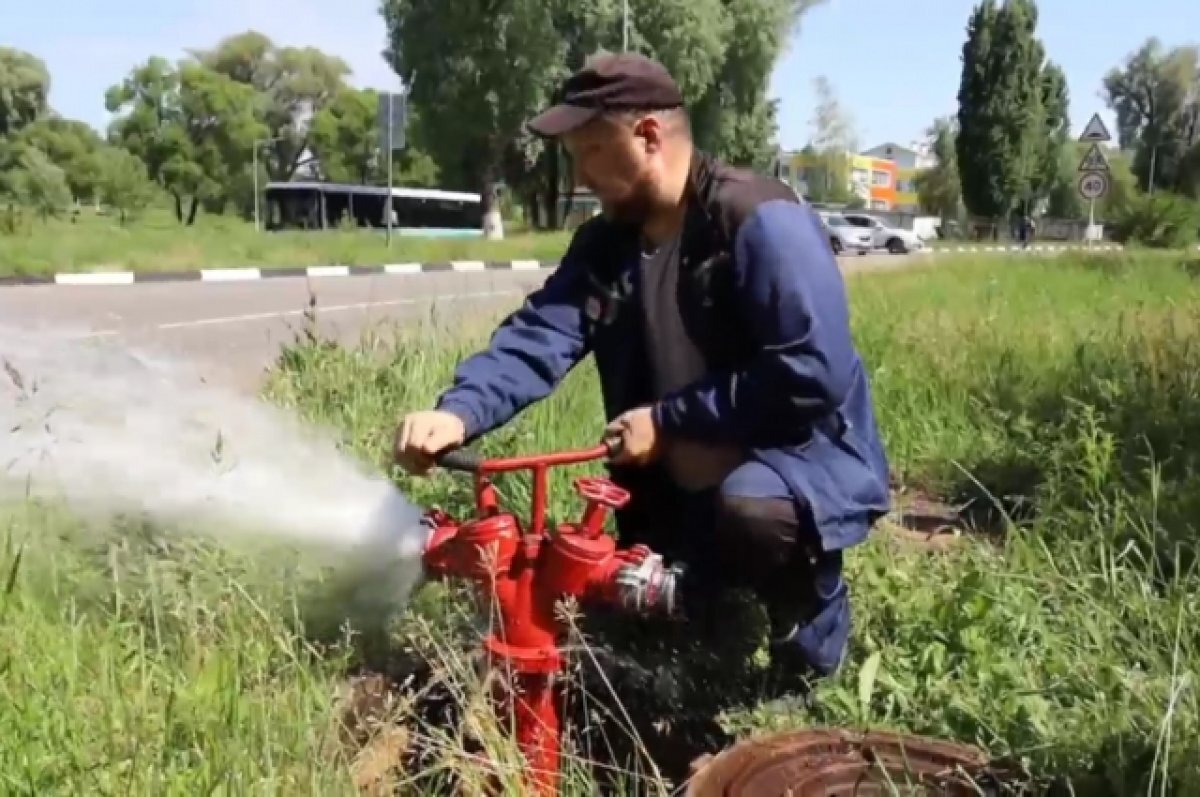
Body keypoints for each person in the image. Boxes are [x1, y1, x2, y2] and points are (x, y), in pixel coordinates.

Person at [394, 52, 891, 683]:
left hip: (801, 462)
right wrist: (458, 411)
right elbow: (541, 335)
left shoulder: (759, 221)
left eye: (593, 151)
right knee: (659, 617)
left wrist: (673, 421)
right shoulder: (606, 244)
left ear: (649, 136)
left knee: (751, 511)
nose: (581, 176)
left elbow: (812, 372)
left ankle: (809, 640)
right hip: (669, 468)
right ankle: (701, 609)